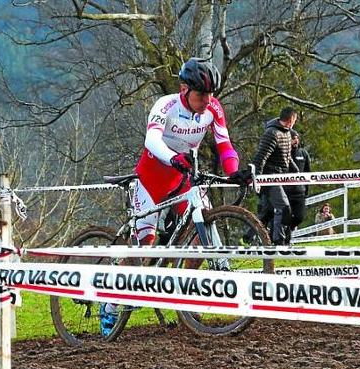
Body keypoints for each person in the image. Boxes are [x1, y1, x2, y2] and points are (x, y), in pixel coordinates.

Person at [99, 57, 248, 336]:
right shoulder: (165, 105)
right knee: (145, 247)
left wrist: (235, 171)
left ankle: (185, 300)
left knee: (202, 230)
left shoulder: (213, 108)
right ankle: (110, 304)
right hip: (152, 178)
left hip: (183, 178)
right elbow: (151, 141)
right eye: (201, 94)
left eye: (210, 94)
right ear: (185, 89)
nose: (207, 100)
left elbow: (224, 145)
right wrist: (171, 157)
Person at [251, 107, 299, 245]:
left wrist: (297, 173)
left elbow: (286, 156)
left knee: (266, 213)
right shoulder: (272, 133)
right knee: (284, 208)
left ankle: (249, 238)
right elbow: (261, 157)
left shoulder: (287, 133)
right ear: (291, 120)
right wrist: (258, 180)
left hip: (279, 176)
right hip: (269, 177)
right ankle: (280, 242)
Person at [283, 129, 311, 236]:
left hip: (300, 192)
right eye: (293, 138)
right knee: (284, 216)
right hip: (285, 192)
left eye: (296, 138)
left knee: (299, 217)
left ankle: (288, 231)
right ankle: (284, 239)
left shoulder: (303, 153)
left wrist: (306, 190)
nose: (295, 140)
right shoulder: (283, 153)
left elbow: (308, 172)